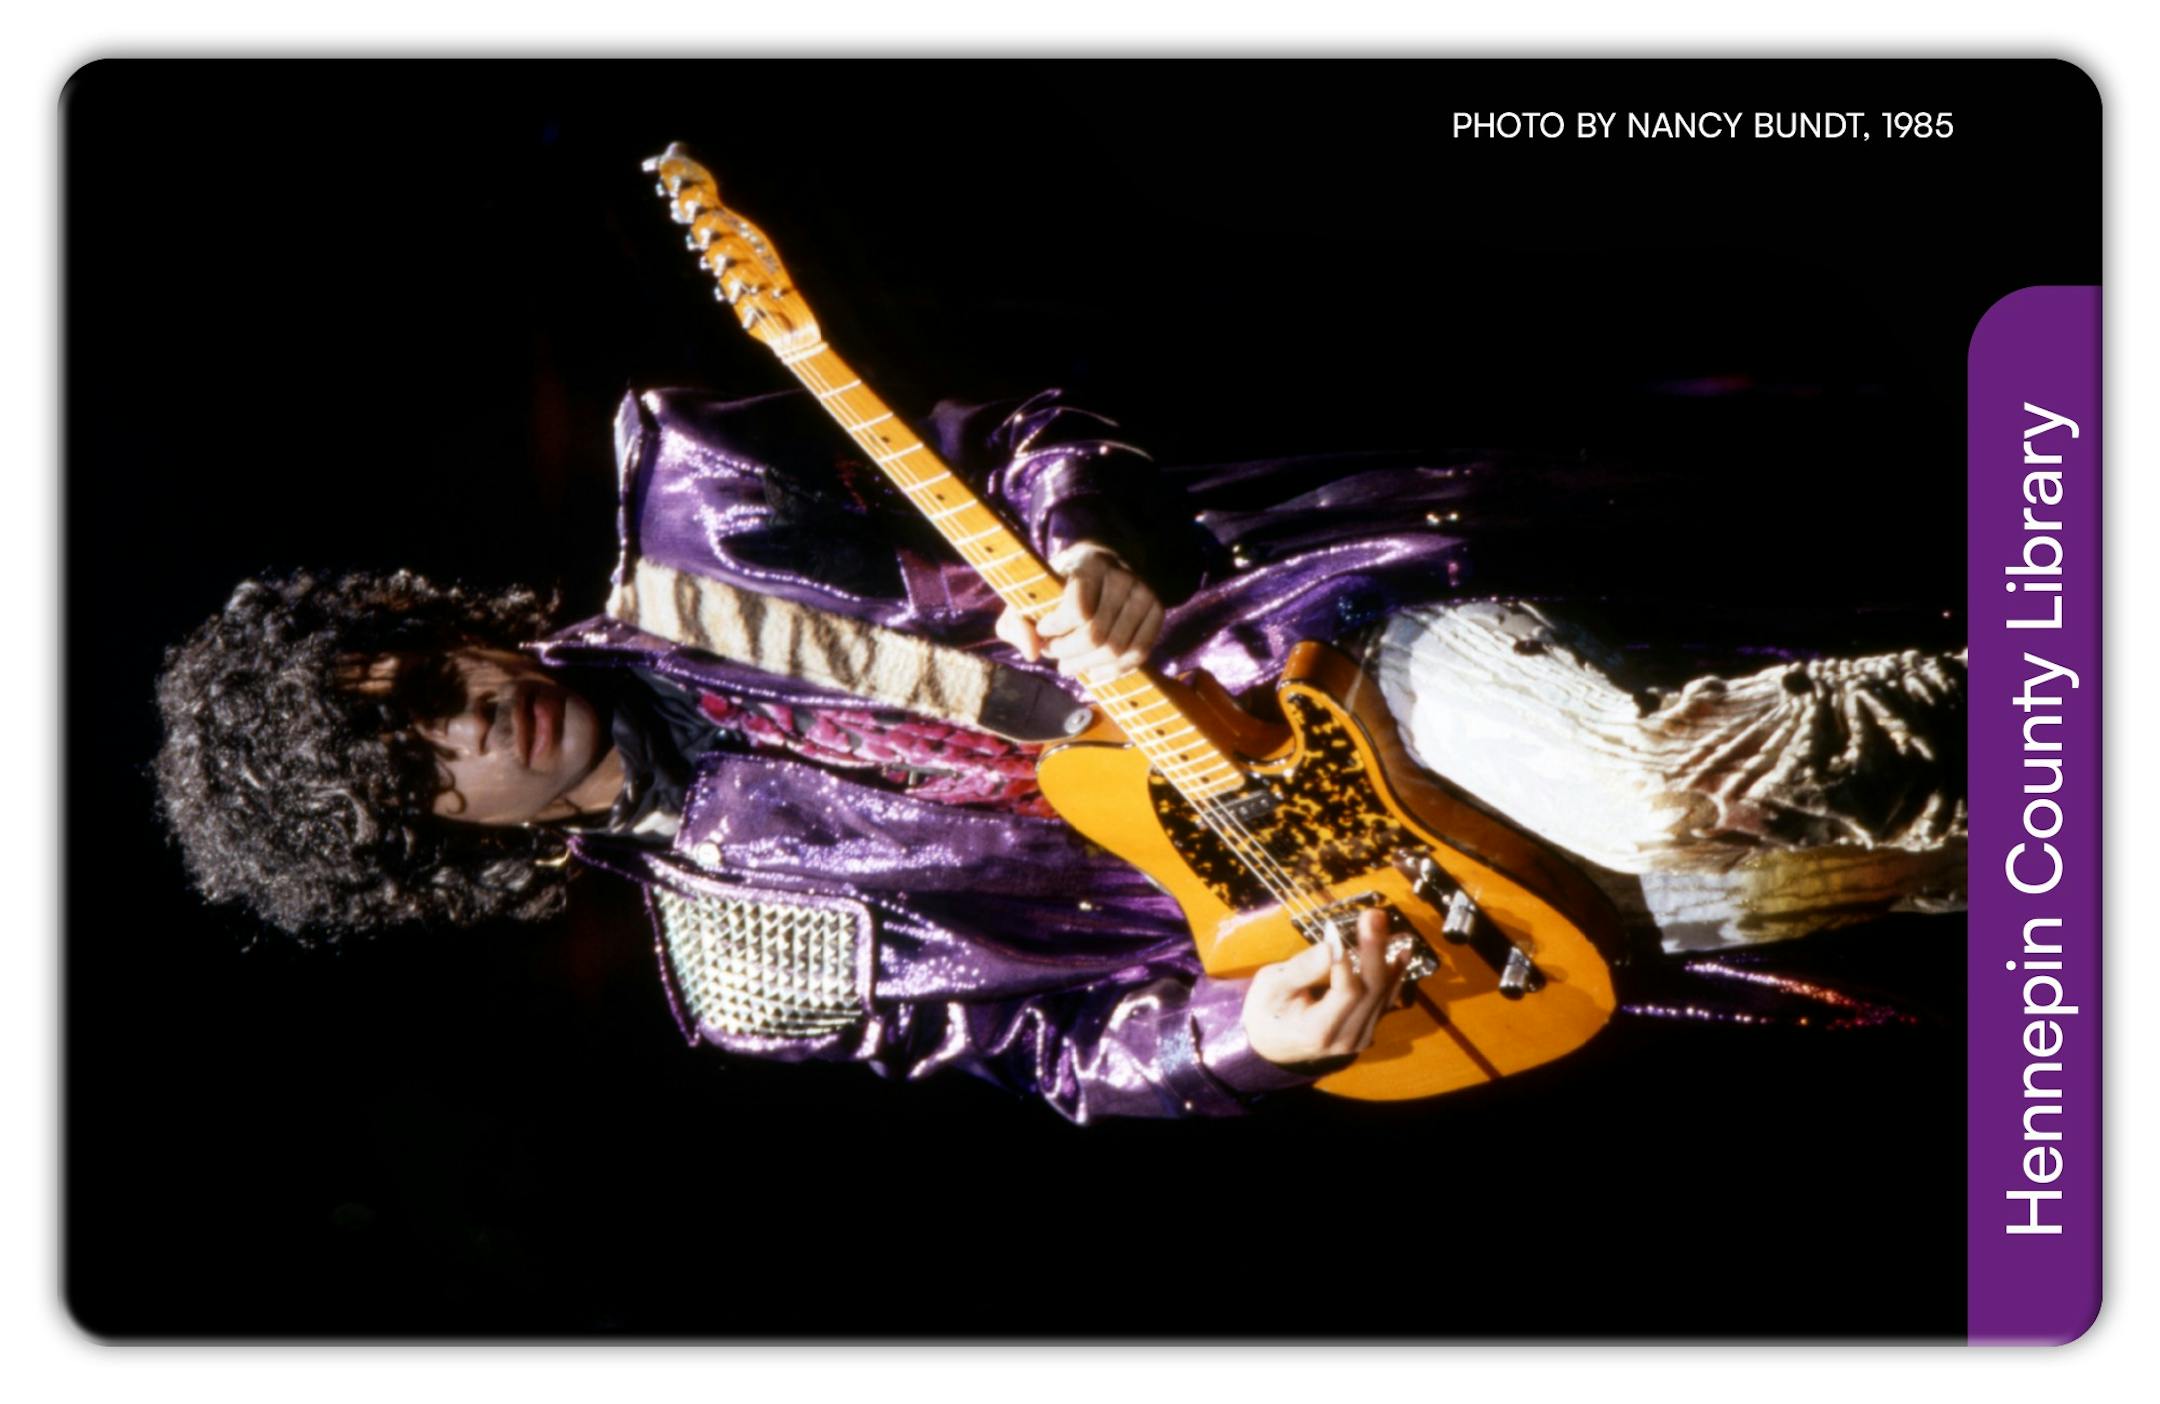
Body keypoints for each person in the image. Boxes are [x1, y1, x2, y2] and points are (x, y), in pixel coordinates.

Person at [154, 385, 1967, 1121]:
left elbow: (1028, 434)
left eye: (424, 679)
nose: (473, 718)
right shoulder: (746, 966)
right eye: (427, 766)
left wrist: (1094, 542)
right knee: (1890, 875)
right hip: (1395, 908)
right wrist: (1242, 1041)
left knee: (1655, 778)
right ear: (452, 841)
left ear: (440, 624)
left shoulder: (700, 514)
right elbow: (1064, 1048)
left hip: (1322, 662)